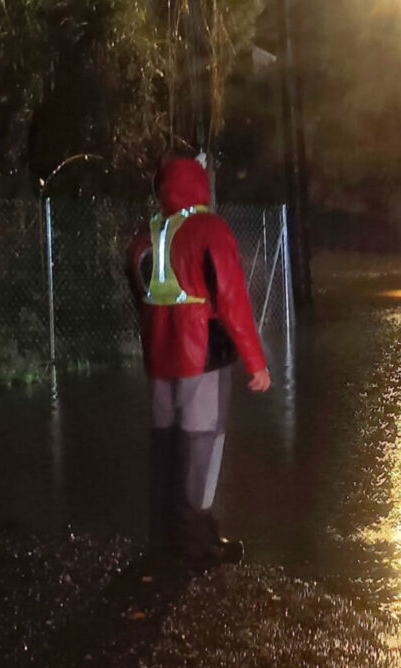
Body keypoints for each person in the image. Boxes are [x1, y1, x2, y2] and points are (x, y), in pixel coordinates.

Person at [128, 155, 271, 566]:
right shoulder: (210, 229)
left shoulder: (148, 233)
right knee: (202, 442)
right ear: (199, 185)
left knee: (166, 443)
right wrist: (255, 361)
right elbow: (232, 300)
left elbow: (135, 282)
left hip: (158, 356)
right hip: (201, 355)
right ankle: (198, 544)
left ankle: (163, 536)